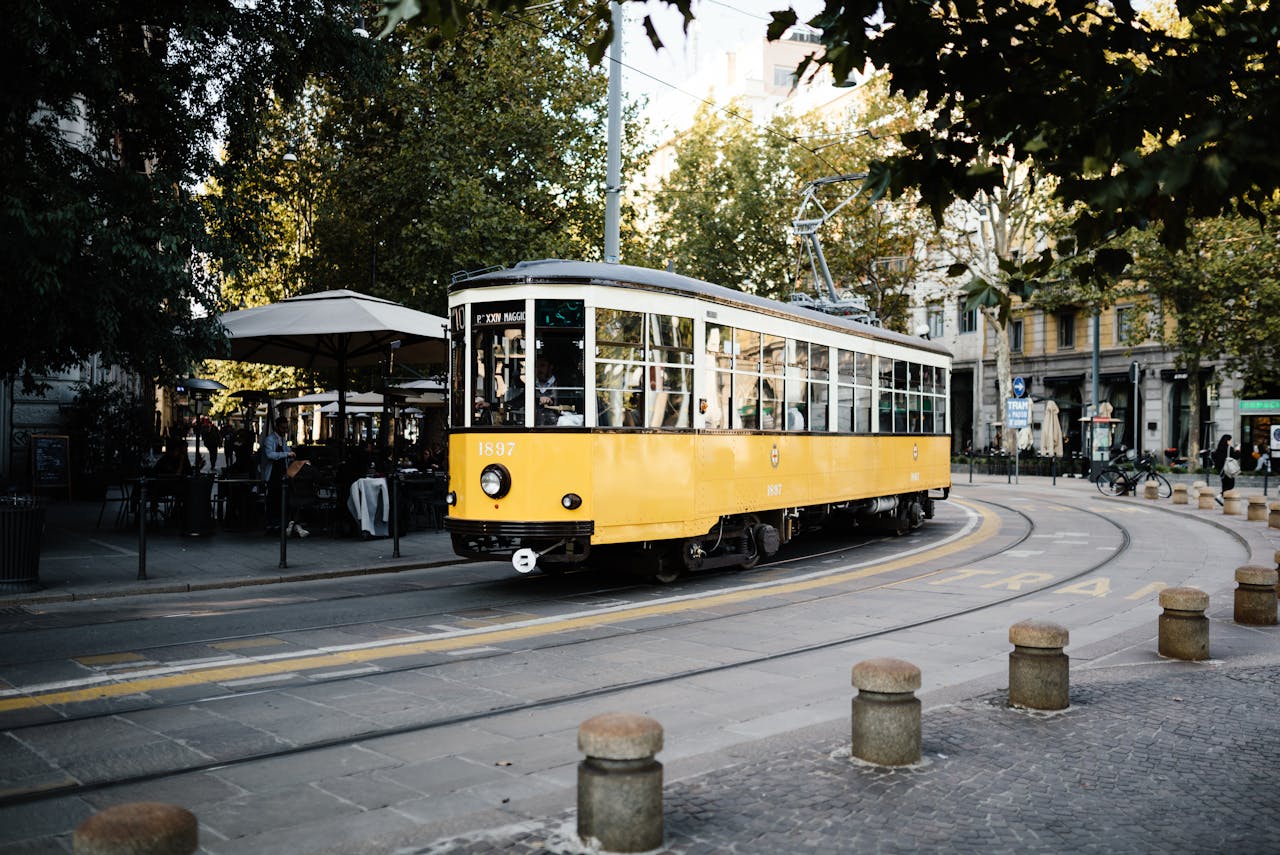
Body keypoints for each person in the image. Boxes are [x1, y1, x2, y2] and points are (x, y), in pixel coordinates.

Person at [259, 416, 295, 534]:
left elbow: (286, 451)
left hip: (281, 474)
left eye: (286, 428)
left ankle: (279, 523)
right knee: (272, 500)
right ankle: (271, 524)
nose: (285, 430)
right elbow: (270, 455)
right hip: (273, 475)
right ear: (277, 427)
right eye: (283, 428)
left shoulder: (283, 440)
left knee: (281, 499)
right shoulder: (270, 440)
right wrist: (286, 454)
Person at [534, 357, 558, 425]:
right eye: (536, 366)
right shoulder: (531, 386)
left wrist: (551, 400)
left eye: (542, 365)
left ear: (551, 367)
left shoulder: (562, 385)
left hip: (555, 427)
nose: (539, 369)